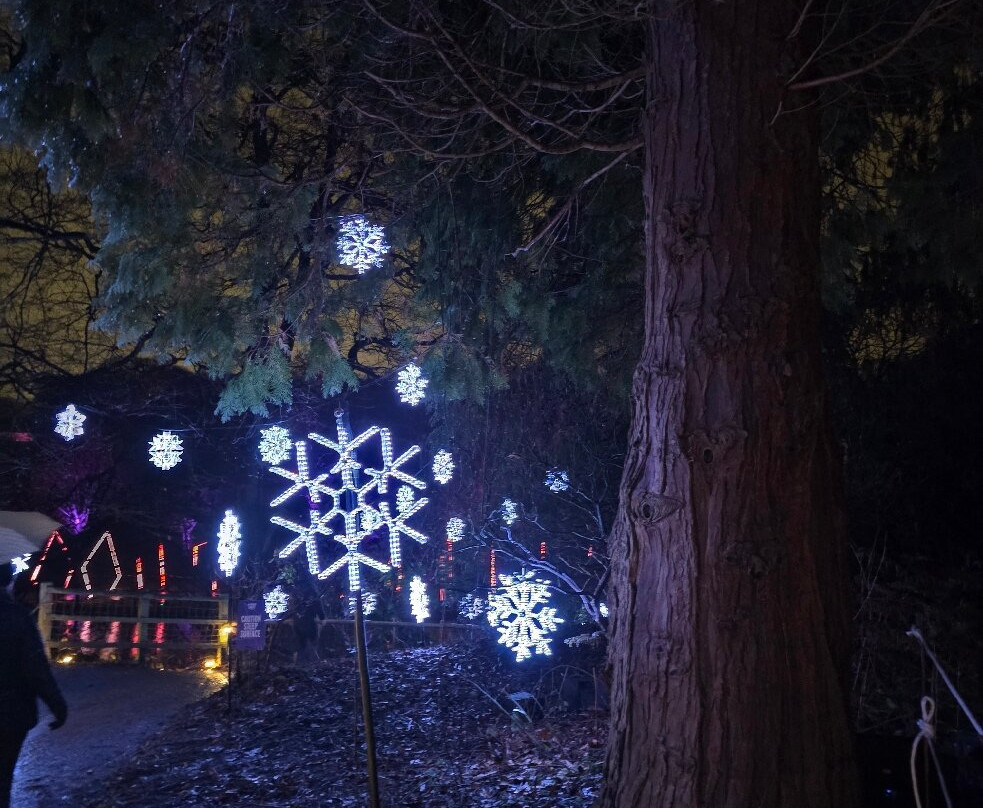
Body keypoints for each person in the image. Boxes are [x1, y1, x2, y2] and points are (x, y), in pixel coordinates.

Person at [0, 561, 68, 808]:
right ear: (8, 581)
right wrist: (57, 705)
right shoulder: (18, 618)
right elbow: (35, 668)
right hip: (10, 714)